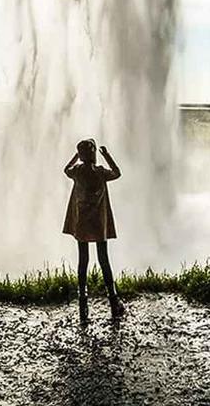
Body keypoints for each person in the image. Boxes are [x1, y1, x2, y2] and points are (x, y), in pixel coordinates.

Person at [63, 138, 125, 323]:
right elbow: (117, 173)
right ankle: (113, 301)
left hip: (82, 221)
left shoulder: (77, 172)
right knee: (103, 259)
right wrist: (107, 155)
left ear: (81, 156)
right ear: (94, 154)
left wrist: (76, 157)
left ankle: (83, 304)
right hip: (99, 222)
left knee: (83, 261)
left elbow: (66, 169)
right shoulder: (100, 173)